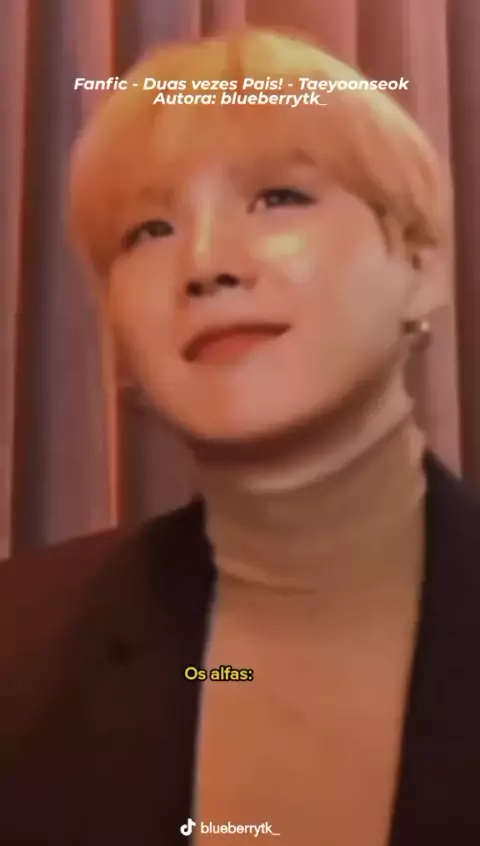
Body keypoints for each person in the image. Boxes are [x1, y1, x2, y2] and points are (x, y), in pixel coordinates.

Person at [1, 26, 479, 846]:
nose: (206, 263)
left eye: (279, 198)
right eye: (148, 231)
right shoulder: (17, 650)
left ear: (419, 264)